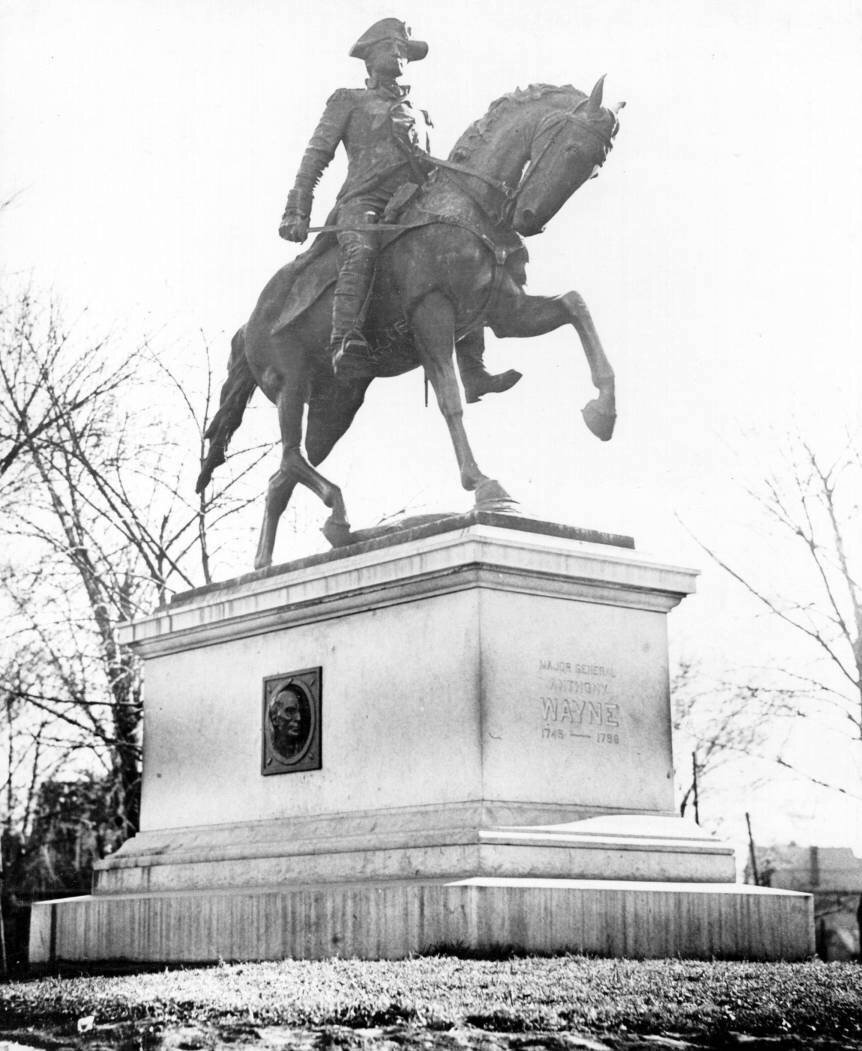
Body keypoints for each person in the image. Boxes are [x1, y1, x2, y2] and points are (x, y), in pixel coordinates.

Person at [279, 18, 520, 401]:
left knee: (458, 250)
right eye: (391, 47)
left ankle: (473, 371)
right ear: (370, 56)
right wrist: (297, 209)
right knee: (361, 251)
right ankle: (344, 340)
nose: (399, 55)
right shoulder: (349, 100)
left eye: (403, 50)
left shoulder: (420, 113)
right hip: (364, 202)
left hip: (412, 204)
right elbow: (316, 156)